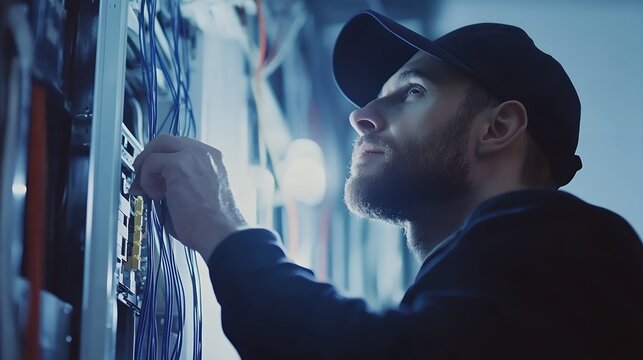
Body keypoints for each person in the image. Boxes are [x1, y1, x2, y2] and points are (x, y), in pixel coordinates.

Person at [131, 10, 643, 359]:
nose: (362, 116)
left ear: (499, 127)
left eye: (412, 92)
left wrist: (225, 231)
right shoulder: (492, 303)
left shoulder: (578, 245)